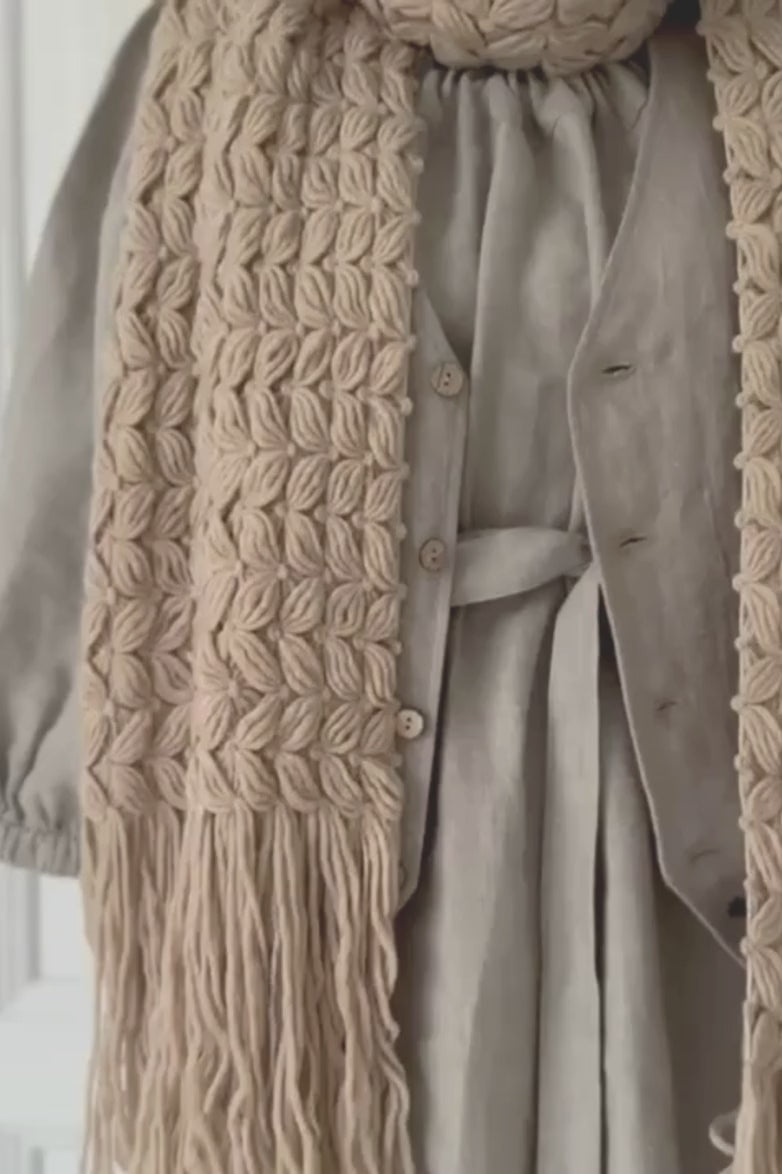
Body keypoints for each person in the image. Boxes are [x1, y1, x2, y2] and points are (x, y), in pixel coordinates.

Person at [0, 0, 777, 1171]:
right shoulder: (216, 56)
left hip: (703, 823)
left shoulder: (753, 60)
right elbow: (94, 426)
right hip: (346, 836)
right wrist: (52, 752)